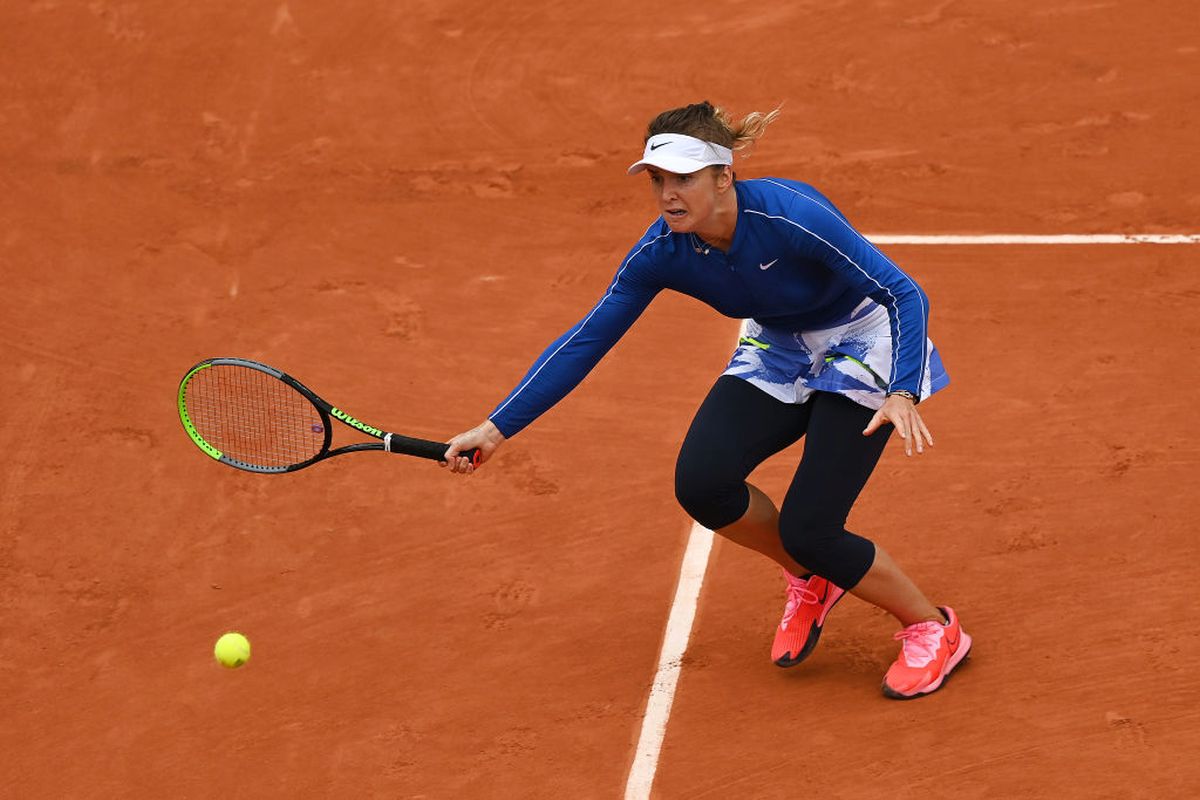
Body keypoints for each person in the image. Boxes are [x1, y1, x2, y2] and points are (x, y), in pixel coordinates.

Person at [442, 101, 971, 700]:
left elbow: (902, 290)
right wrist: (496, 428)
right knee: (702, 483)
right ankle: (811, 580)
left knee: (812, 526)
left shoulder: (792, 215)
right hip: (779, 343)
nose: (668, 195)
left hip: (864, 337)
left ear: (724, 177)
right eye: (658, 180)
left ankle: (933, 626)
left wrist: (902, 388)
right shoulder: (663, 252)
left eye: (683, 179)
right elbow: (587, 338)